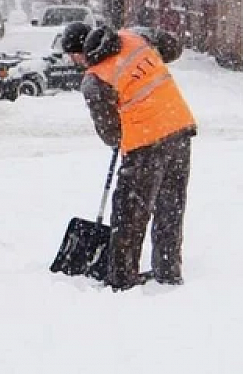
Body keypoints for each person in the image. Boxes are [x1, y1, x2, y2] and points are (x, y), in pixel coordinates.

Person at [59, 22, 196, 290]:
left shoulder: (94, 79)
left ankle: (122, 278)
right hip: (178, 126)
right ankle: (167, 271)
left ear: (80, 53)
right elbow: (173, 45)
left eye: (73, 56)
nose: (74, 62)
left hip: (146, 141)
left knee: (128, 214)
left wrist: (123, 130)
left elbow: (110, 133)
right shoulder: (134, 37)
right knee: (170, 206)